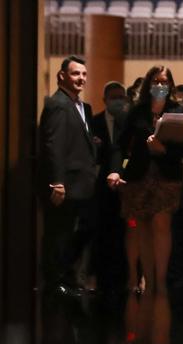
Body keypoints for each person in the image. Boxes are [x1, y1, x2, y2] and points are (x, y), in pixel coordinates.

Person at [107, 65, 183, 294]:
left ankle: (158, 282)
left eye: (164, 81)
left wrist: (163, 149)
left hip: (166, 176)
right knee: (138, 227)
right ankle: (138, 277)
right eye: (155, 81)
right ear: (148, 84)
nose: (160, 86)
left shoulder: (178, 110)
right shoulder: (137, 111)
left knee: (162, 227)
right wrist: (116, 171)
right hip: (138, 177)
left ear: (170, 84)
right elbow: (119, 147)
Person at [38, 55, 97, 293]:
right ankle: (55, 282)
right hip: (66, 185)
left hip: (81, 184)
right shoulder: (58, 103)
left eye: (83, 74)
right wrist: (58, 182)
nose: (81, 78)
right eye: (75, 73)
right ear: (62, 76)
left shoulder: (80, 105)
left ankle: (67, 278)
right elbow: (54, 145)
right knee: (59, 234)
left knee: (77, 231)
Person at [88, 81, 128, 290]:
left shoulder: (129, 122)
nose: (118, 101)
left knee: (125, 231)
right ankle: (98, 275)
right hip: (100, 187)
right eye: (114, 97)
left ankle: (124, 275)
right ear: (104, 100)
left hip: (125, 185)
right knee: (101, 230)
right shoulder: (93, 123)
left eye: (121, 96)